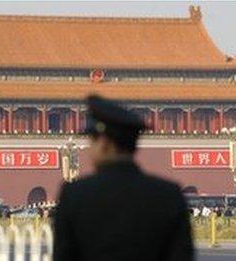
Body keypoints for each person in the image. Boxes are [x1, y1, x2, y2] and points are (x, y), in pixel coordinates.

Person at [53, 95, 194, 261]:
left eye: (92, 142)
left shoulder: (75, 195)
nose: (90, 150)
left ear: (105, 144)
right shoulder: (168, 194)